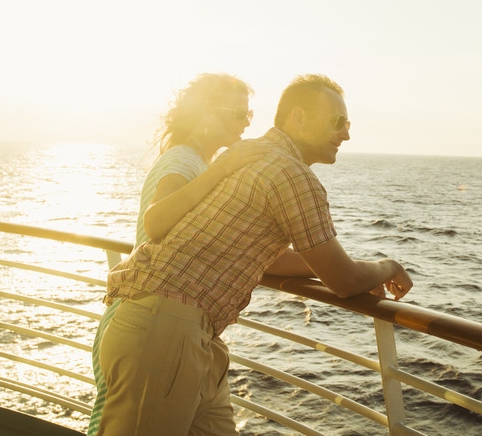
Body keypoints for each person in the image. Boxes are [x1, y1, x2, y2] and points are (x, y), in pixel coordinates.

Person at [98, 74, 413, 435]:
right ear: (298, 117)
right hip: (167, 332)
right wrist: (388, 266)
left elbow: (264, 256)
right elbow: (345, 281)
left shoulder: (251, 158)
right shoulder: (291, 175)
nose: (346, 134)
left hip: (181, 332)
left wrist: (326, 268)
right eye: (338, 122)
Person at [88, 72, 262, 436]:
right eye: (237, 113)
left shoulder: (196, 164)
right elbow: (157, 221)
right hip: (149, 320)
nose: (246, 123)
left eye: (248, 115)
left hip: (172, 326)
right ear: (205, 114)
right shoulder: (184, 162)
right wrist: (227, 167)